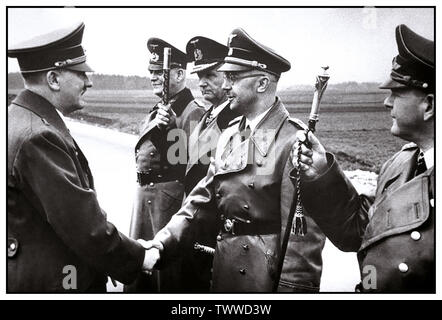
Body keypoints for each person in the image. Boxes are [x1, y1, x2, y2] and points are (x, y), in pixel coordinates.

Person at [144, 28, 326, 292]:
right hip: (225, 270)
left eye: (233, 77)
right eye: (225, 76)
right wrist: (162, 244)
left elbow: (301, 240)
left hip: (262, 280)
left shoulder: (292, 142)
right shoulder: (230, 135)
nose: (225, 85)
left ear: (262, 83)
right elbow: (201, 201)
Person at [7, 22, 154, 292]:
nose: (89, 81)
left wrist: (103, 261)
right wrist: (140, 257)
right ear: (53, 79)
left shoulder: (20, 119)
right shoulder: (39, 136)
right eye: (81, 73)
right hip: (57, 284)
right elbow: (84, 227)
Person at [294, 24, 434, 292]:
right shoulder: (399, 165)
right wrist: (322, 172)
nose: (386, 102)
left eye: (397, 93)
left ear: (428, 104)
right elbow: (359, 232)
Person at [125, 38, 205, 292]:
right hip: (147, 205)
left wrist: (172, 129)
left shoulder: (192, 112)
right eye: (151, 72)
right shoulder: (159, 109)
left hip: (167, 208)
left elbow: (196, 170)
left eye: (160, 72)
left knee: (165, 279)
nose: (152, 77)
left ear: (180, 74)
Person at [179, 36, 240, 291]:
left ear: (227, 77)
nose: (201, 82)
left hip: (216, 228)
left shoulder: (236, 119)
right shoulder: (206, 115)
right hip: (195, 221)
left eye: (210, 75)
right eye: (199, 75)